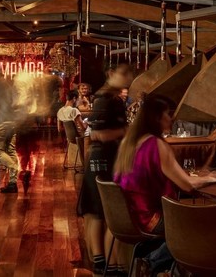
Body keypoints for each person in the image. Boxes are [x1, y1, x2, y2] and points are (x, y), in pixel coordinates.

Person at [114, 94, 216, 275]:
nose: (172, 118)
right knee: (206, 228)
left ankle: (162, 266)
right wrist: (211, 178)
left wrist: (201, 177)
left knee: (197, 224)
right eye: (168, 114)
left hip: (128, 214)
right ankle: (151, 263)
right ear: (157, 118)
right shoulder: (156, 145)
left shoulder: (129, 142)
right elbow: (187, 185)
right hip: (150, 218)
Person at [77, 63, 132, 275]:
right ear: (111, 74)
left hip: (106, 157)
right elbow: (97, 134)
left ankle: (102, 261)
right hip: (101, 158)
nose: (128, 78)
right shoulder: (104, 98)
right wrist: (125, 131)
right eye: (124, 73)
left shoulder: (112, 98)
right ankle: (102, 261)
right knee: (100, 209)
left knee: (98, 209)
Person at [0, 63, 21, 193]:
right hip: (12, 121)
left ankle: (14, 167)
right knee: (10, 150)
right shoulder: (6, 82)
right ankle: (13, 183)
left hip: (2, 121)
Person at [57, 90, 87, 165]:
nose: (78, 101)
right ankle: (87, 161)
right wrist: (86, 123)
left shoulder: (60, 111)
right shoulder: (74, 110)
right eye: (78, 99)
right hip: (79, 138)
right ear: (74, 98)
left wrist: (70, 130)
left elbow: (59, 129)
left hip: (70, 138)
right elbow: (83, 128)